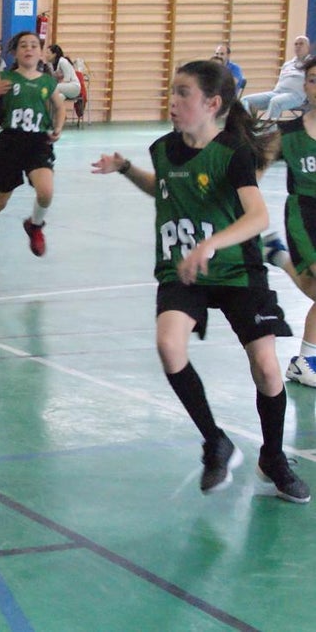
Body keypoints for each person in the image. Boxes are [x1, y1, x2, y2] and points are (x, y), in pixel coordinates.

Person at [91, 59, 309, 504]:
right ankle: (215, 441)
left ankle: (273, 457)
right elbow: (166, 188)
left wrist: (211, 245)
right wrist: (127, 169)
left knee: (267, 367)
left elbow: (258, 215)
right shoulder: (162, 149)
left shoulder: (234, 153)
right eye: (172, 92)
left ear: (212, 103)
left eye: (183, 93)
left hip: (235, 270)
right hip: (182, 269)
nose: (173, 101)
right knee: (169, 345)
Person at [0, 31, 66, 273]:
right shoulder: (6, 78)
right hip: (11, 142)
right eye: (23, 45)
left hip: (38, 142)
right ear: (15, 52)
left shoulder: (46, 82)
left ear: (41, 52)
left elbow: (60, 107)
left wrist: (59, 128)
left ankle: (35, 224)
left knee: (46, 191)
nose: (29, 49)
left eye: (34, 45)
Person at [260, 57, 316, 387]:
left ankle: (278, 257)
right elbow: (252, 171)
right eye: (311, 79)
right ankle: (305, 360)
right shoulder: (288, 131)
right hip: (305, 214)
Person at [242, 35, 310, 120]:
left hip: (296, 95)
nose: (298, 46)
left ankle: (269, 131)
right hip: (277, 92)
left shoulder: (311, 64)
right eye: (296, 44)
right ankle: (248, 127)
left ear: (308, 47)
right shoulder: (287, 64)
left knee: (275, 101)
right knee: (245, 100)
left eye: (301, 44)